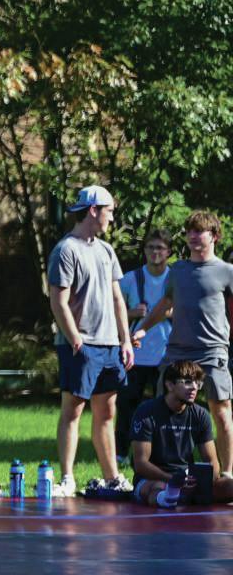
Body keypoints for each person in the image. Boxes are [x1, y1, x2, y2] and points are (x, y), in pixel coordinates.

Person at [45, 185, 133, 496]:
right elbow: (59, 301)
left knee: (107, 412)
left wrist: (124, 340)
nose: (112, 216)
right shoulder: (65, 250)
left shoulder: (106, 250)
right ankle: (67, 479)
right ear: (93, 210)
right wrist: (75, 340)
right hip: (80, 345)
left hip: (109, 345)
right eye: (109, 210)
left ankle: (112, 477)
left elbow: (118, 299)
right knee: (73, 409)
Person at [133, 210, 233, 473]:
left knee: (221, 410)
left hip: (212, 351)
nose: (192, 236)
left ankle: (226, 473)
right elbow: (166, 305)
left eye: (198, 231)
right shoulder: (177, 270)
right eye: (189, 231)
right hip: (177, 351)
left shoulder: (227, 271)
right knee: (160, 406)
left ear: (213, 236)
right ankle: (158, 467)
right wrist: (142, 328)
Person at [128, 360, 233, 507]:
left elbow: (211, 461)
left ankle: (184, 496)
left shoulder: (200, 414)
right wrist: (172, 479)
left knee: (229, 486)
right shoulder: (146, 412)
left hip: (188, 480)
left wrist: (205, 480)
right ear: (169, 385)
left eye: (198, 383)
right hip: (154, 479)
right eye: (188, 382)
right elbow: (141, 464)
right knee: (156, 489)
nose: (194, 387)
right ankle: (168, 498)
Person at [117, 228, 174, 440]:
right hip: (136, 354)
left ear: (168, 252)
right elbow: (111, 313)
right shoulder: (131, 279)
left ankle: (161, 450)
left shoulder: (175, 278)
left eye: (160, 248)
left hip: (166, 354)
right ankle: (121, 451)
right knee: (127, 406)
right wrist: (131, 313)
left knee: (165, 407)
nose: (155, 252)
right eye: (150, 247)